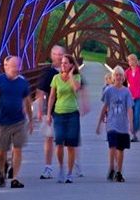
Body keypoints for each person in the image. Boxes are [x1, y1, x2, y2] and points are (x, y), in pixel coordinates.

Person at [0, 56, 33, 188]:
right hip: (3, 121)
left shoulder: (23, 82)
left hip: (19, 120)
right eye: (13, 66)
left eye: (17, 66)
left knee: (18, 149)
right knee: (1, 151)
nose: (15, 69)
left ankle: (15, 178)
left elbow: (27, 101)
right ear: (6, 66)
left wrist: (31, 120)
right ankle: (2, 170)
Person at [46, 54, 81, 184]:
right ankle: (61, 168)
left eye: (66, 63)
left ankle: (69, 173)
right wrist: (49, 114)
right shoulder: (56, 78)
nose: (63, 65)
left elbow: (76, 89)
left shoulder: (76, 77)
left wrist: (71, 75)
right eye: (62, 63)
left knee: (71, 145)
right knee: (59, 142)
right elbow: (51, 97)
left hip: (72, 114)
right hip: (59, 114)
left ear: (71, 65)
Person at [96, 65, 133, 182]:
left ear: (123, 78)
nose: (118, 77)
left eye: (120, 75)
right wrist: (99, 124)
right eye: (116, 75)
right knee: (112, 145)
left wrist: (131, 124)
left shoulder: (127, 92)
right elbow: (105, 107)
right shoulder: (109, 91)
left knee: (120, 149)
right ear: (113, 77)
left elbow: (129, 109)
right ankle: (112, 167)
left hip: (123, 124)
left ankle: (119, 172)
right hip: (111, 123)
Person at [36, 45, 65, 179]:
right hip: (51, 112)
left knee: (62, 141)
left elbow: (79, 88)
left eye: (60, 54)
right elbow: (40, 92)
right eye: (56, 54)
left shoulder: (71, 70)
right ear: (51, 55)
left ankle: (64, 167)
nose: (58, 56)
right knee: (49, 139)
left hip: (67, 112)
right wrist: (41, 111)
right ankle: (48, 167)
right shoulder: (47, 72)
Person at [124, 54, 140, 142]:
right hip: (130, 96)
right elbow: (122, 80)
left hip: (139, 97)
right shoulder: (127, 72)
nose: (130, 62)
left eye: (132, 60)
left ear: (136, 61)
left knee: (137, 115)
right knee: (131, 116)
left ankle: (135, 131)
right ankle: (134, 135)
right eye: (129, 61)